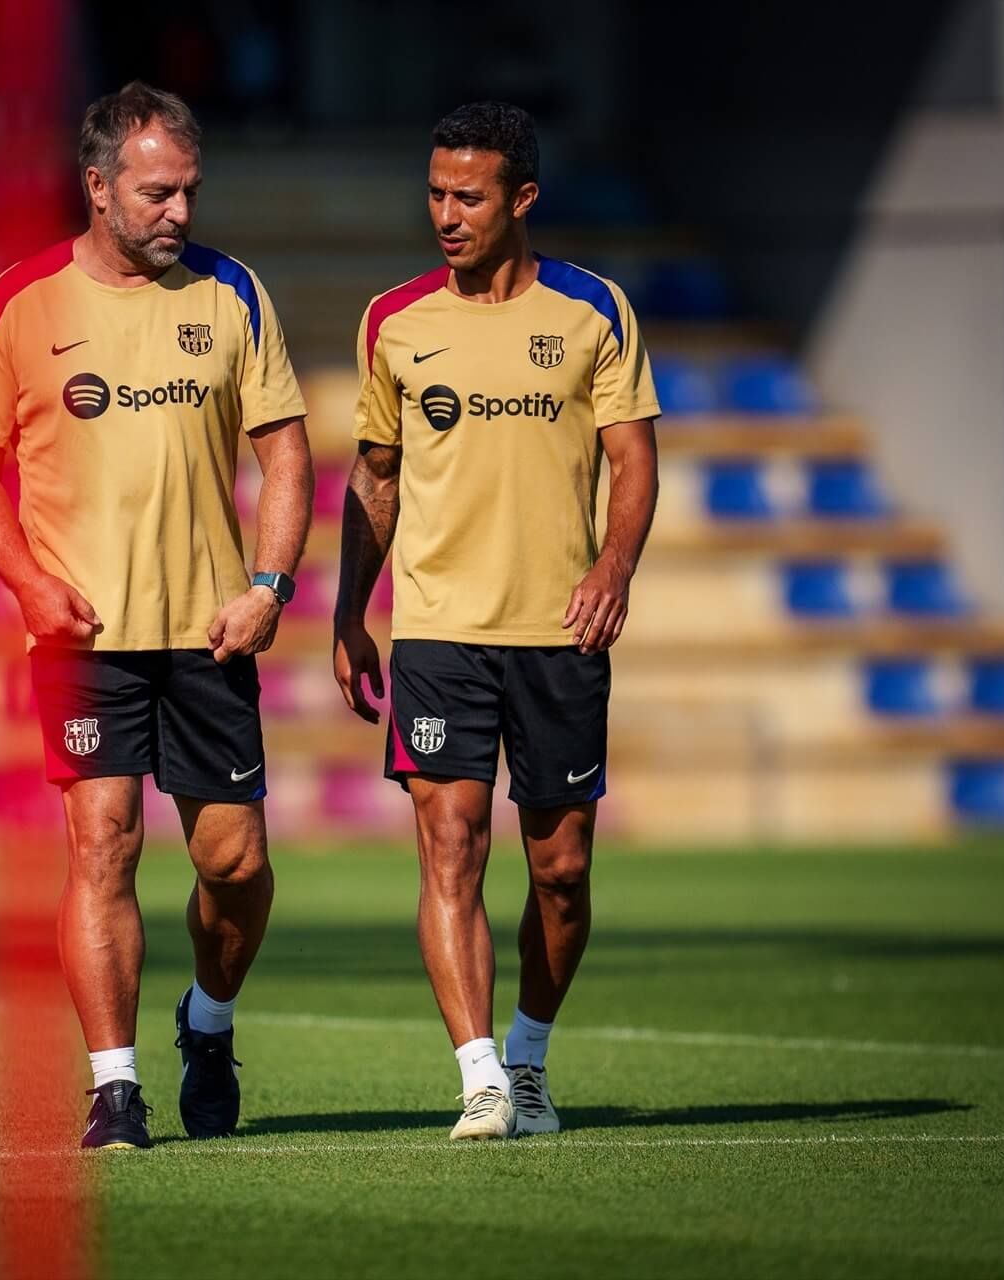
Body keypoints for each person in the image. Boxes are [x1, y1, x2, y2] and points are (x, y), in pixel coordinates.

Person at [0, 82, 313, 1150]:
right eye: (158, 192)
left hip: (210, 632)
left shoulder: (233, 292)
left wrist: (271, 587)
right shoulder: (17, 302)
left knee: (234, 864)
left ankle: (210, 1018)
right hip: (81, 636)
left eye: (190, 191)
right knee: (101, 846)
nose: (179, 213)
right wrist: (26, 582)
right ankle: (115, 1085)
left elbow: (284, 449)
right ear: (98, 186)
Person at [332, 101, 660, 1141]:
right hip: (438, 633)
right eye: (434, 192)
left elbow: (634, 460)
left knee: (561, 873)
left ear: (521, 197)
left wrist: (614, 564)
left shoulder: (594, 308)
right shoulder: (394, 318)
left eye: (467, 195)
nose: (445, 213)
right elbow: (375, 477)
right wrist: (349, 609)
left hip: (560, 632)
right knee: (449, 843)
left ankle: (527, 1056)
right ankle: (477, 1073)